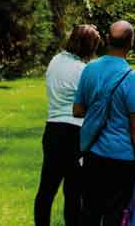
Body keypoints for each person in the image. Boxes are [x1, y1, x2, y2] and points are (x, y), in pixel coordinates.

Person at [74, 21, 135, 226]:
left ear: (107, 40)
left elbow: (77, 110)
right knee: (115, 215)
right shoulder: (132, 77)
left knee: (89, 211)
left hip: (93, 153)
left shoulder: (90, 69)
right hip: (122, 158)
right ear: (130, 43)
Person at [37, 24, 102, 226]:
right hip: (75, 131)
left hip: (53, 128)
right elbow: (91, 104)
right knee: (73, 192)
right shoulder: (84, 70)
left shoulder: (55, 61)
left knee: (47, 189)